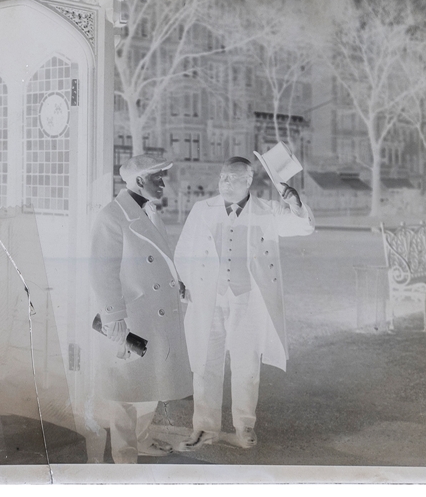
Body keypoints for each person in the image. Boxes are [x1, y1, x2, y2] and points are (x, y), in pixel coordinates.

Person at [174, 156, 315, 450]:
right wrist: (184, 283)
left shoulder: (268, 210)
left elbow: (303, 228)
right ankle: (204, 427)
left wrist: (297, 205)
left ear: (248, 181)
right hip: (208, 299)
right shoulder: (203, 209)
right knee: (205, 364)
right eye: (222, 177)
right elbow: (184, 249)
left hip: (249, 299)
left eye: (232, 178)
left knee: (246, 365)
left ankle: (244, 425)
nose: (224, 183)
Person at [89, 154, 192, 463]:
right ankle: (124, 458)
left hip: (154, 315)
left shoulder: (148, 212)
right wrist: (114, 318)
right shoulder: (111, 216)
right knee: (125, 391)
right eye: (158, 177)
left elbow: (160, 257)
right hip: (132, 317)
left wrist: (178, 282)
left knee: (151, 384)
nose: (164, 183)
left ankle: (143, 438)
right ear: (138, 181)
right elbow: (102, 271)